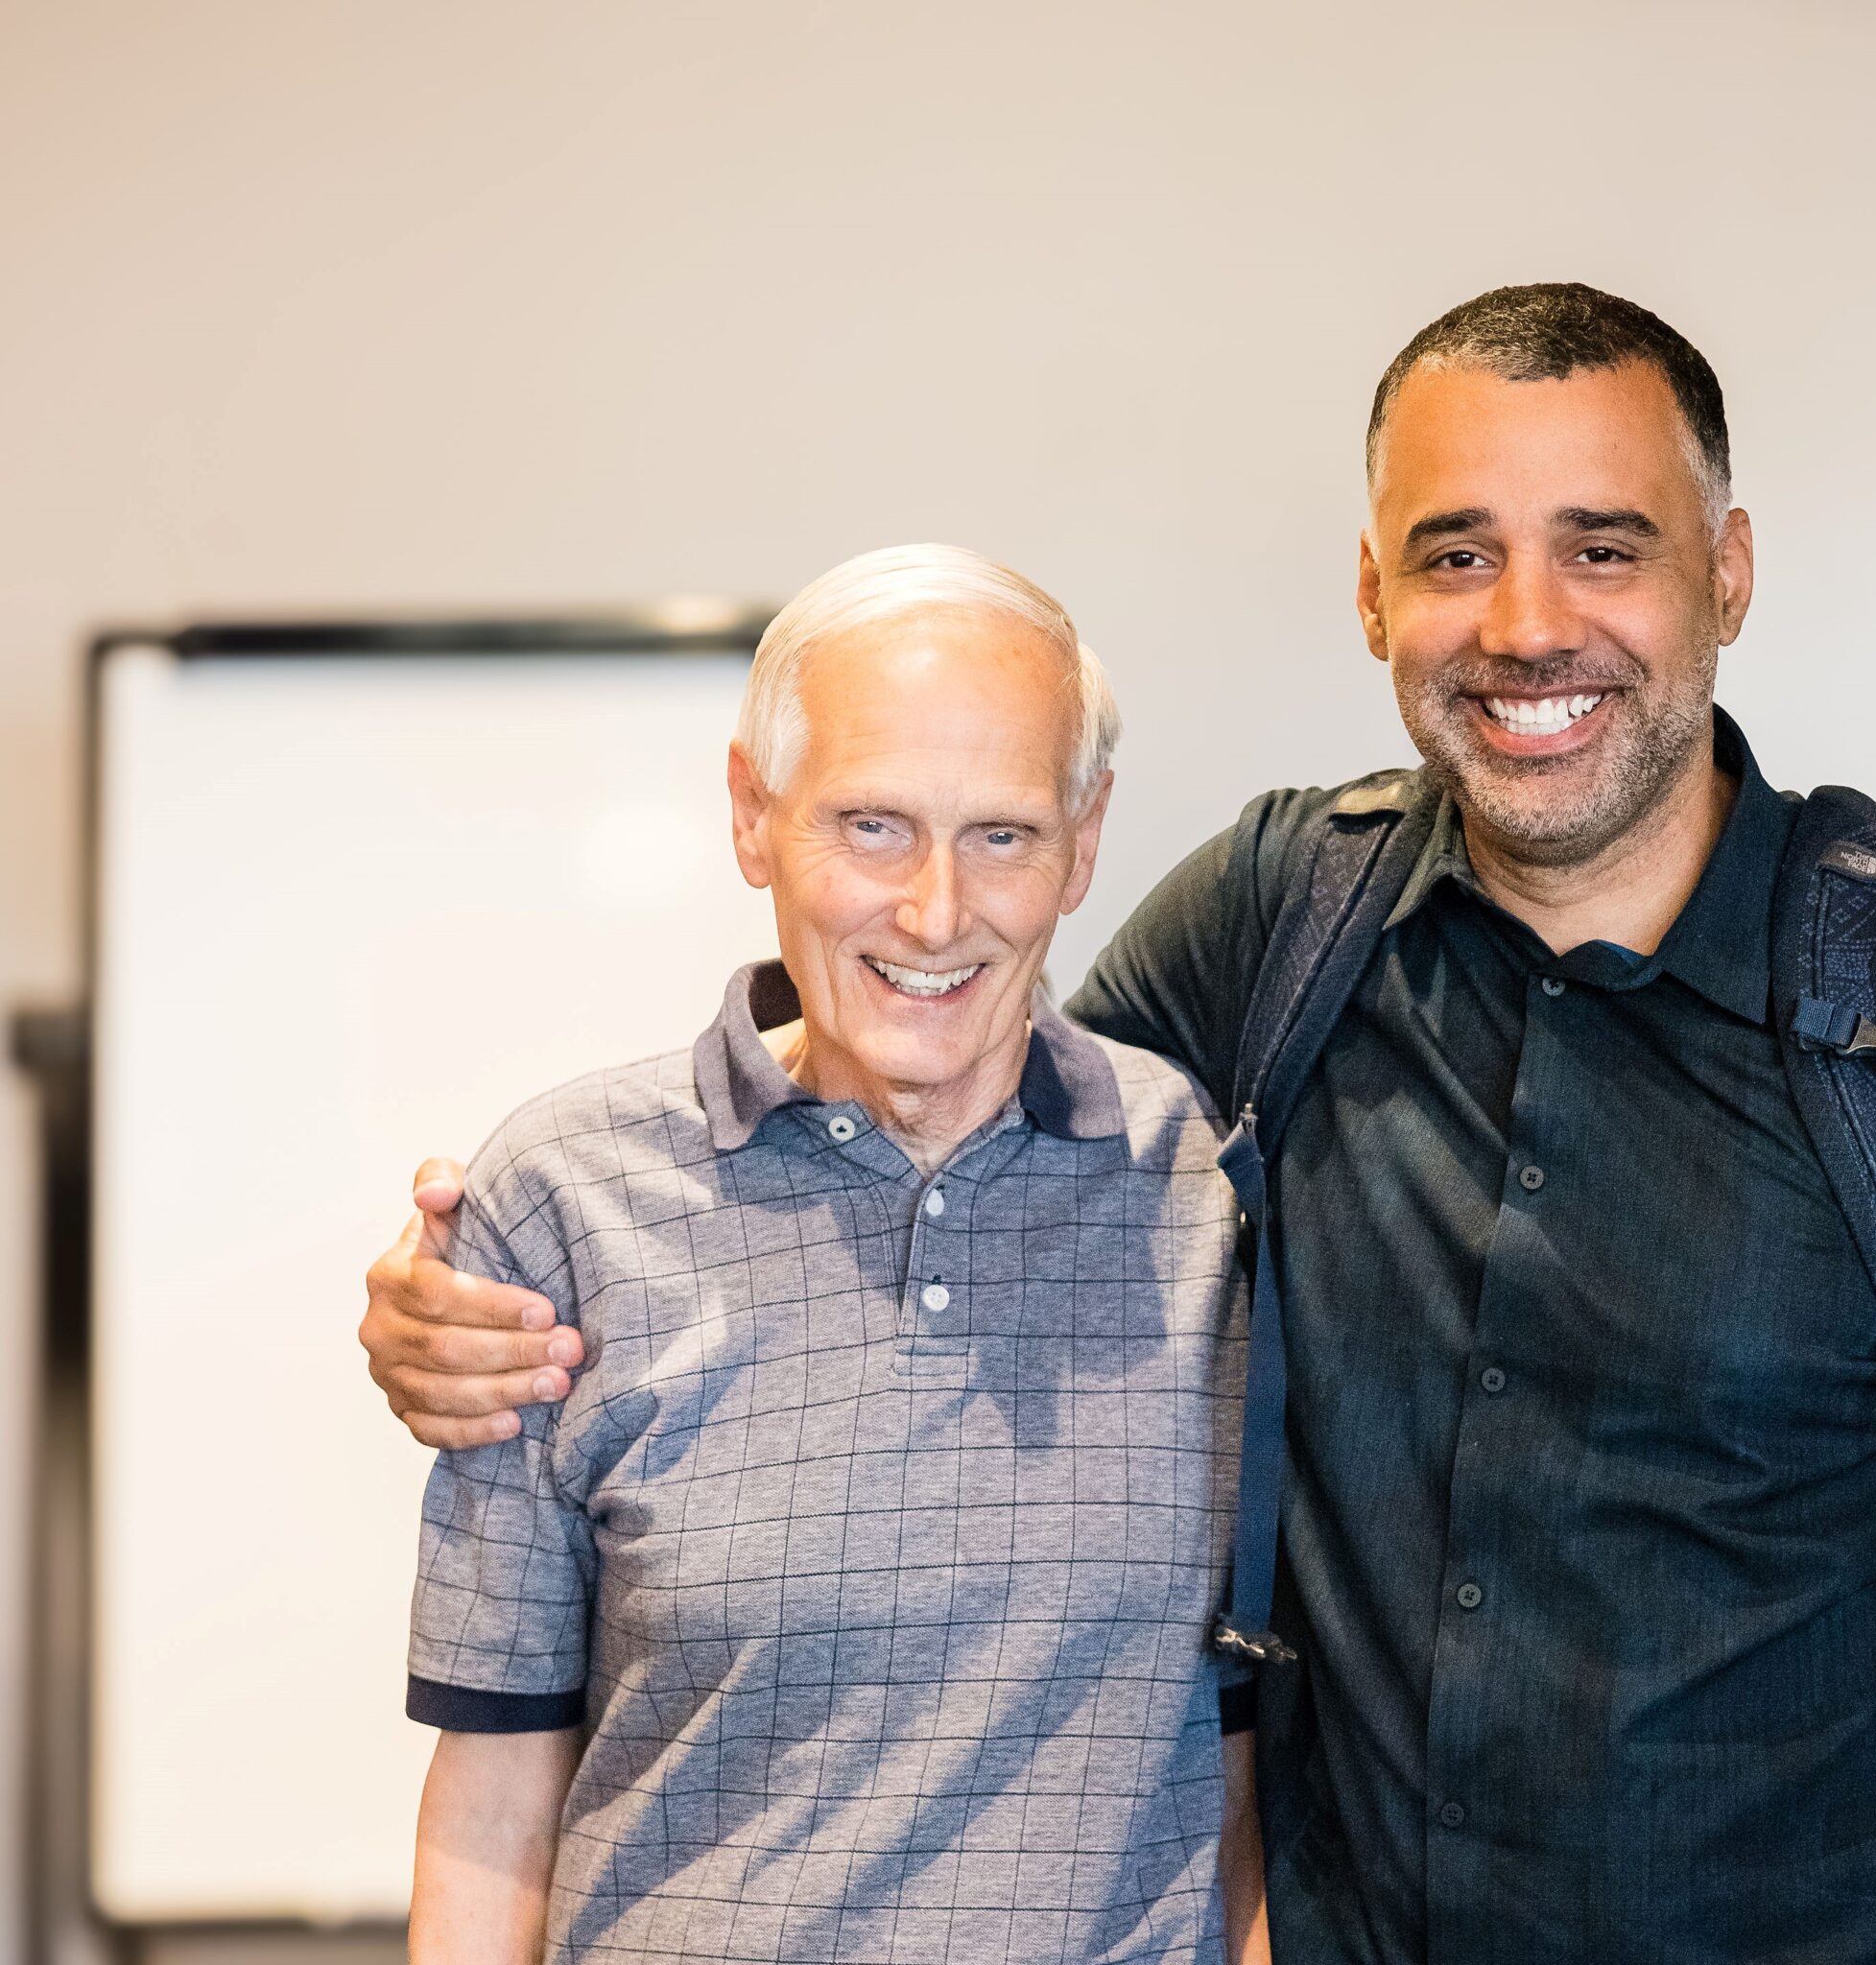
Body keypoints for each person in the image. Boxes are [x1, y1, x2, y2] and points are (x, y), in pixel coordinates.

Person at [368, 287, 1876, 1965]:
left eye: (1602, 547)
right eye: (1453, 553)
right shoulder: (1275, 923)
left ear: (1727, 571)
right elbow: (942, 1089)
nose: (1525, 624)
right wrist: (498, 1279)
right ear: (1370, 587)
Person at [397, 544, 1269, 1964]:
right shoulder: (554, 1205)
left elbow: (1244, 1773)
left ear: (1086, 840)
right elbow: (495, 1793)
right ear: (754, 815)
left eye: (1004, 834)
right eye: (872, 826)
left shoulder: (1203, 1189)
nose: (935, 912)